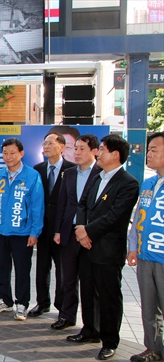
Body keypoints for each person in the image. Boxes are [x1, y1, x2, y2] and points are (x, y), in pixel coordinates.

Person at [71, 134, 139, 361]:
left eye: (101, 149)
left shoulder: (128, 183)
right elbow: (83, 204)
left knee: (109, 296)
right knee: (88, 291)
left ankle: (110, 341)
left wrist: (87, 231)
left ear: (115, 154)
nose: (98, 153)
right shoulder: (97, 177)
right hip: (86, 245)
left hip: (108, 250)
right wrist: (81, 228)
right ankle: (90, 330)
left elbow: (115, 216)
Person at [0, 138, 44, 321]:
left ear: (21, 154)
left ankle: (22, 304)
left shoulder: (32, 176)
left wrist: (35, 232)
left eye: (12, 153)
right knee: (2, 267)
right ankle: (5, 300)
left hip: (22, 233)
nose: (8, 156)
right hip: (1, 232)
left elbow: (37, 206)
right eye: (5, 153)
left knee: (22, 269)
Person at [53, 134, 100, 331]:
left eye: (82, 149)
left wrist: (89, 230)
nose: (77, 153)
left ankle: (92, 325)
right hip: (69, 233)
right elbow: (62, 204)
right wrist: (58, 230)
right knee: (67, 278)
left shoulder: (101, 173)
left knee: (90, 282)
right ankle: (67, 316)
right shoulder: (70, 173)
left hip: (91, 235)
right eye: (76, 148)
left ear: (94, 151)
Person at [29, 133, 76, 317]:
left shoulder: (71, 170)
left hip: (62, 228)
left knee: (63, 269)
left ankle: (62, 306)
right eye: (44, 143)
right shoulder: (38, 168)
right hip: (42, 226)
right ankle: (42, 303)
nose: (46, 146)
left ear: (62, 147)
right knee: (42, 267)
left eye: (50, 143)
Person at [127, 132, 164, 362]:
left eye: (154, 149)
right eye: (149, 149)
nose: (148, 153)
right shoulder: (149, 183)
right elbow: (139, 217)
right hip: (145, 256)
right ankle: (153, 349)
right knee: (149, 308)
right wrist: (133, 247)